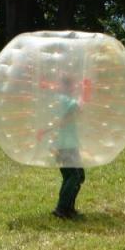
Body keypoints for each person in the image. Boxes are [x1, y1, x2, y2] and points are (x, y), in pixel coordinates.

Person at [51, 76, 85, 219]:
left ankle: (68, 208)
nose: (73, 88)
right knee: (74, 176)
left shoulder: (60, 99)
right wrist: (85, 92)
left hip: (69, 145)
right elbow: (78, 108)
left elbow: (73, 115)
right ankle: (61, 209)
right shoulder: (62, 99)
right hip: (65, 146)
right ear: (64, 87)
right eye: (71, 86)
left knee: (75, 176)